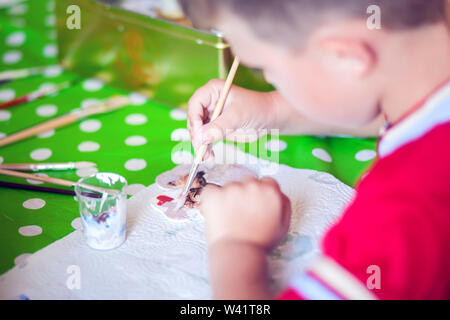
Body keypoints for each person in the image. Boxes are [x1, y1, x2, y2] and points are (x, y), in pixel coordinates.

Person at [179, 0, 450, 299]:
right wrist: (274, 110)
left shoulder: (407, 208)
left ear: (344, 57)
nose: (268, 80)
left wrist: (237, 246)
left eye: (262, 68)